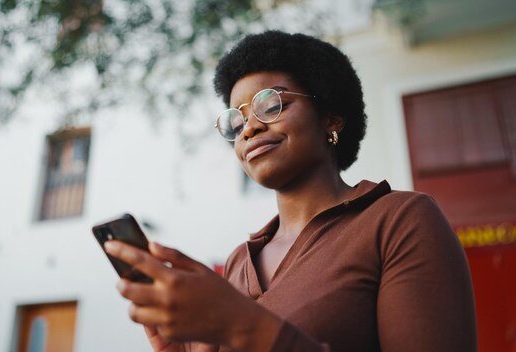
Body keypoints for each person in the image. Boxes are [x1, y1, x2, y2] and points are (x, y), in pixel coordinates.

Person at [104, 31, 477, 351]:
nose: (248, 128)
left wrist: (243, 325)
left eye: (270, 104)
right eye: (236, 120)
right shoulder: (238, 263)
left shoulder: (399, 221)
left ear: (330, 118)